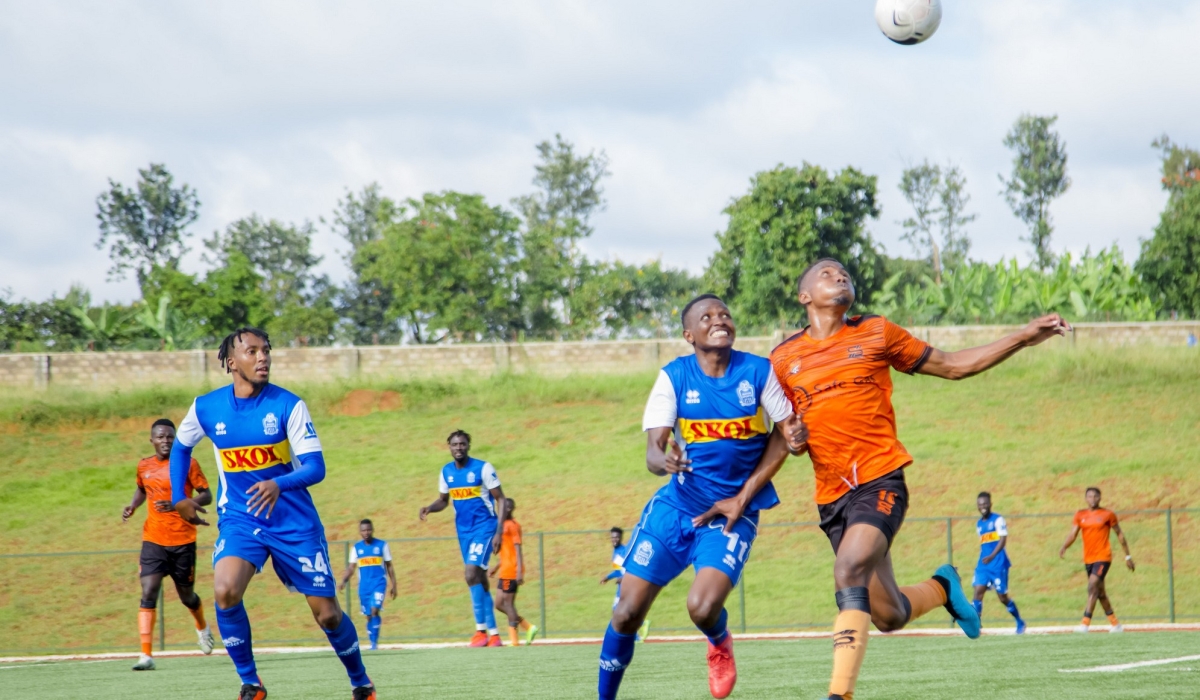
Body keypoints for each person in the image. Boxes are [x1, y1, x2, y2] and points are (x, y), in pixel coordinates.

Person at [718, 258, 1069, 700]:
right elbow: (782, 436)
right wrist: (753, 484)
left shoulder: (877, 332)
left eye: (843, 272)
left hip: (880, 481)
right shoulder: (783, 359)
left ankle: (839, 695)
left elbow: (953, 365)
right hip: (832, 498)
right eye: (826, 273)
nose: (839, 276)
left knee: (847, 569)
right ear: (804, 295)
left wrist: (1021, 337)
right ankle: (943, 587)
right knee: (889, 615)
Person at [597, 294, 802, 700]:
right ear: (690, 334)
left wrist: (744, 497)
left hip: (731, 513)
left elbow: (785, 434)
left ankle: (719, 641)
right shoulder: (674, 377)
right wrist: (665, 460)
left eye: (725, 313)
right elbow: (654, 451)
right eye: (706, 317)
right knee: (626, 613)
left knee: (702, 608)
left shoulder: (759, 372)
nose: (719, 319)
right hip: (675, 509)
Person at [169, 327, 375, 700]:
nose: (262, 357)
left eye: (266, 350)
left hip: (293, 522)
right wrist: (178, 495)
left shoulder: (288, 405)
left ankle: (361, 682)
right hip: (241, 518)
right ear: (232, 362)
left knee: (327, 615)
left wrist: (280, 484)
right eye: (252, 351)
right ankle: (251, 683)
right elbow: (181, 448)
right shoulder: (206, 407)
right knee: (225, 589)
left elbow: (316, 468)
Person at [121, 417, 215, 671]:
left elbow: (206, 495)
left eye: (170, 437)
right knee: (149, 590)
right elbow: (142, 489)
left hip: (183, 540)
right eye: (160, 437)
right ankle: (145, 655)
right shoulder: (144, 466)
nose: (165, 441)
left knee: (187, 596)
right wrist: (133, 505)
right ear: (152, 440)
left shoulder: (188, 463)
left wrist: (178, 503)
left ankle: (202, 627)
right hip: (153, 539)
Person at [419, 430, 508, 647]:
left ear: (468, 446)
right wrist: (430, 508)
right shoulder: (446, 472)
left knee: (470, 574)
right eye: (454, 444)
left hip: (485, 528)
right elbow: (443, 500)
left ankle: (480, 632)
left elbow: (502, 500)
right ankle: (494, 634)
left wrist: (499, 532)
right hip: (464, 532)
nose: (458, 448)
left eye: (462, 444)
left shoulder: (483, 468)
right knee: (479, 579)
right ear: (449, 447)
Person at [1058, 487, 1134, 633]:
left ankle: (1085, 623)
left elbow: (1120, 534)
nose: (1092, 499)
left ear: (1100, 498)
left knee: (1092, 586)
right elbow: (1073, 534)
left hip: (1103, 557)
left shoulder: (1107, 514)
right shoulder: (1080, 515)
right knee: (1099, 592)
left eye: (1095, 496)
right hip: (1088, 559)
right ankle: (1115, 624)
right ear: (1085, 499)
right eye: (1089, 496)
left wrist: (1127, 556)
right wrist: (1064, 547)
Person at [338, 519, 397, 650]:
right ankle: (372, 642)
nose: (366, 532)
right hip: (364, 586)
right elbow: (351, 568)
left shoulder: (382, 545)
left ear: (373, 529)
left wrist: (394, 585)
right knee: (368, 615)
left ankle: (374, 644)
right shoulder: (357, 549)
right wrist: (343, 581)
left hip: (379, 584)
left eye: (369, 529)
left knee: (375, 610)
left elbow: (389, 566)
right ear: (360, 532)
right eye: (363, 530)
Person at [488, 498, 539, 646]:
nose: (500, 510)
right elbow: (506, 552)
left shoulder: (513, 526)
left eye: (503, 508)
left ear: (508, 509)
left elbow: (517, 550)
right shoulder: (502, 526)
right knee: (498, 604)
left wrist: (519, 572)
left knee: (508, 604)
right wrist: (496, 568)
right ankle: (528, 627)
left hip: (511, 571)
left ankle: (514, 641)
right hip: (504, 570)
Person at [971, 492, 1025, 634]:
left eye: (985, 504)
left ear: (990, 504)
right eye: (980, 504)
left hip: (998, 563)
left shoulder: (998, 520)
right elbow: (984, 545)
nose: (983, 507)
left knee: (1002, 597)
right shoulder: (978, 524)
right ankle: (975, 626)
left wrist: (992, 556)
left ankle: (1020, 621)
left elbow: (1003, 540)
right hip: (983, 565)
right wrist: (986, 558)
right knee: (977, 592)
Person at [600, 527, 649, 642]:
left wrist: (623, 578)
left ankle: (640, 626)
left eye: (617, 537)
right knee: (620, 611)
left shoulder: (624, 551)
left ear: (621, 538)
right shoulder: (616, 552)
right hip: (621, 586)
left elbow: (632, 567)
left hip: (627, 586)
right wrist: (607, 577)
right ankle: (637, 632)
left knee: (618, 611)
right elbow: (618, 570)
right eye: (612, 537)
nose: (614, 539)